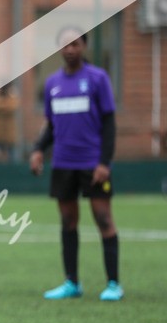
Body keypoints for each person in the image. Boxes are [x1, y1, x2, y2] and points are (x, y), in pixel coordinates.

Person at [30, 27, 123, 301]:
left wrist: (104, 162)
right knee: (68, 221)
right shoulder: (52, 84)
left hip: (92, 163)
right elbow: (52, 125)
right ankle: (72, 283)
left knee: (104, 219)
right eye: (65, 45)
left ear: (84, 46)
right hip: (63, 163)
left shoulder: (98, 79)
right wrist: (37, 149)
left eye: (75, 44)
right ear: (60, 49)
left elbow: (109, 124)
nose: (70, 49)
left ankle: (114, 284)